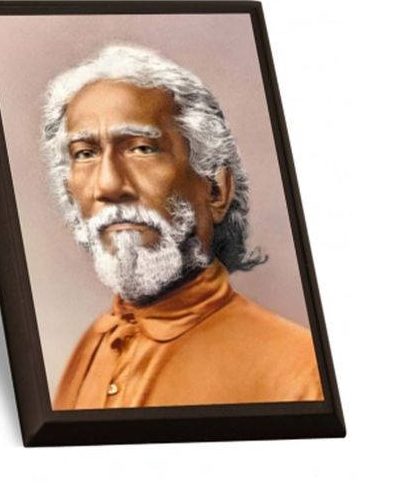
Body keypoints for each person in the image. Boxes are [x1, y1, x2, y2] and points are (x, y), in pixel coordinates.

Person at [41, 44, 323, 410]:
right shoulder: (91, 345)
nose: (107, 185)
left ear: (216, 190)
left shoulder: (301, 370)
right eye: (85, 153)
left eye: (141, 149)